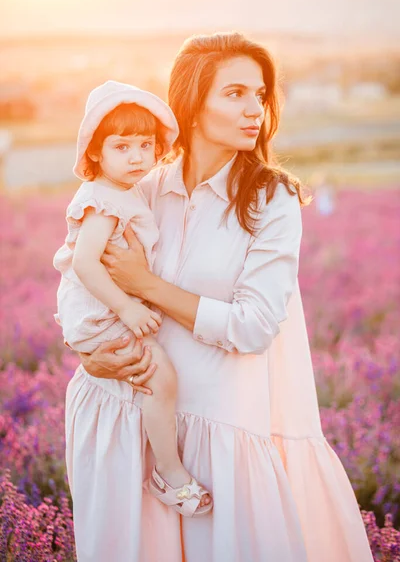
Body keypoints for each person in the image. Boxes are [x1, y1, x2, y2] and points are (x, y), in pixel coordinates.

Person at [66, 33, 374, 561]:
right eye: (234, 93)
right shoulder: (140, 187)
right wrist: (89, 356)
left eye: (260, 94)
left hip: (221, 437)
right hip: (124, 422)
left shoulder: (269, 199)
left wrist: (148, 286)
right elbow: (83, 279)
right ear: (190, 102)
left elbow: (253, 326)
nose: (254, 109)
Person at [53, 80, 213, 525]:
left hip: (104, 307)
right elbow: (86, 264)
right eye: (122, 147)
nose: (137, 157)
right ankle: (169, 473)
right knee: (160, 378)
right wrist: (127, 309)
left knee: (151, 380)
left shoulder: (125, 191)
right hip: (102, 312)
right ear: (95, 154)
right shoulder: (104, 202)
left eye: (146, 145)